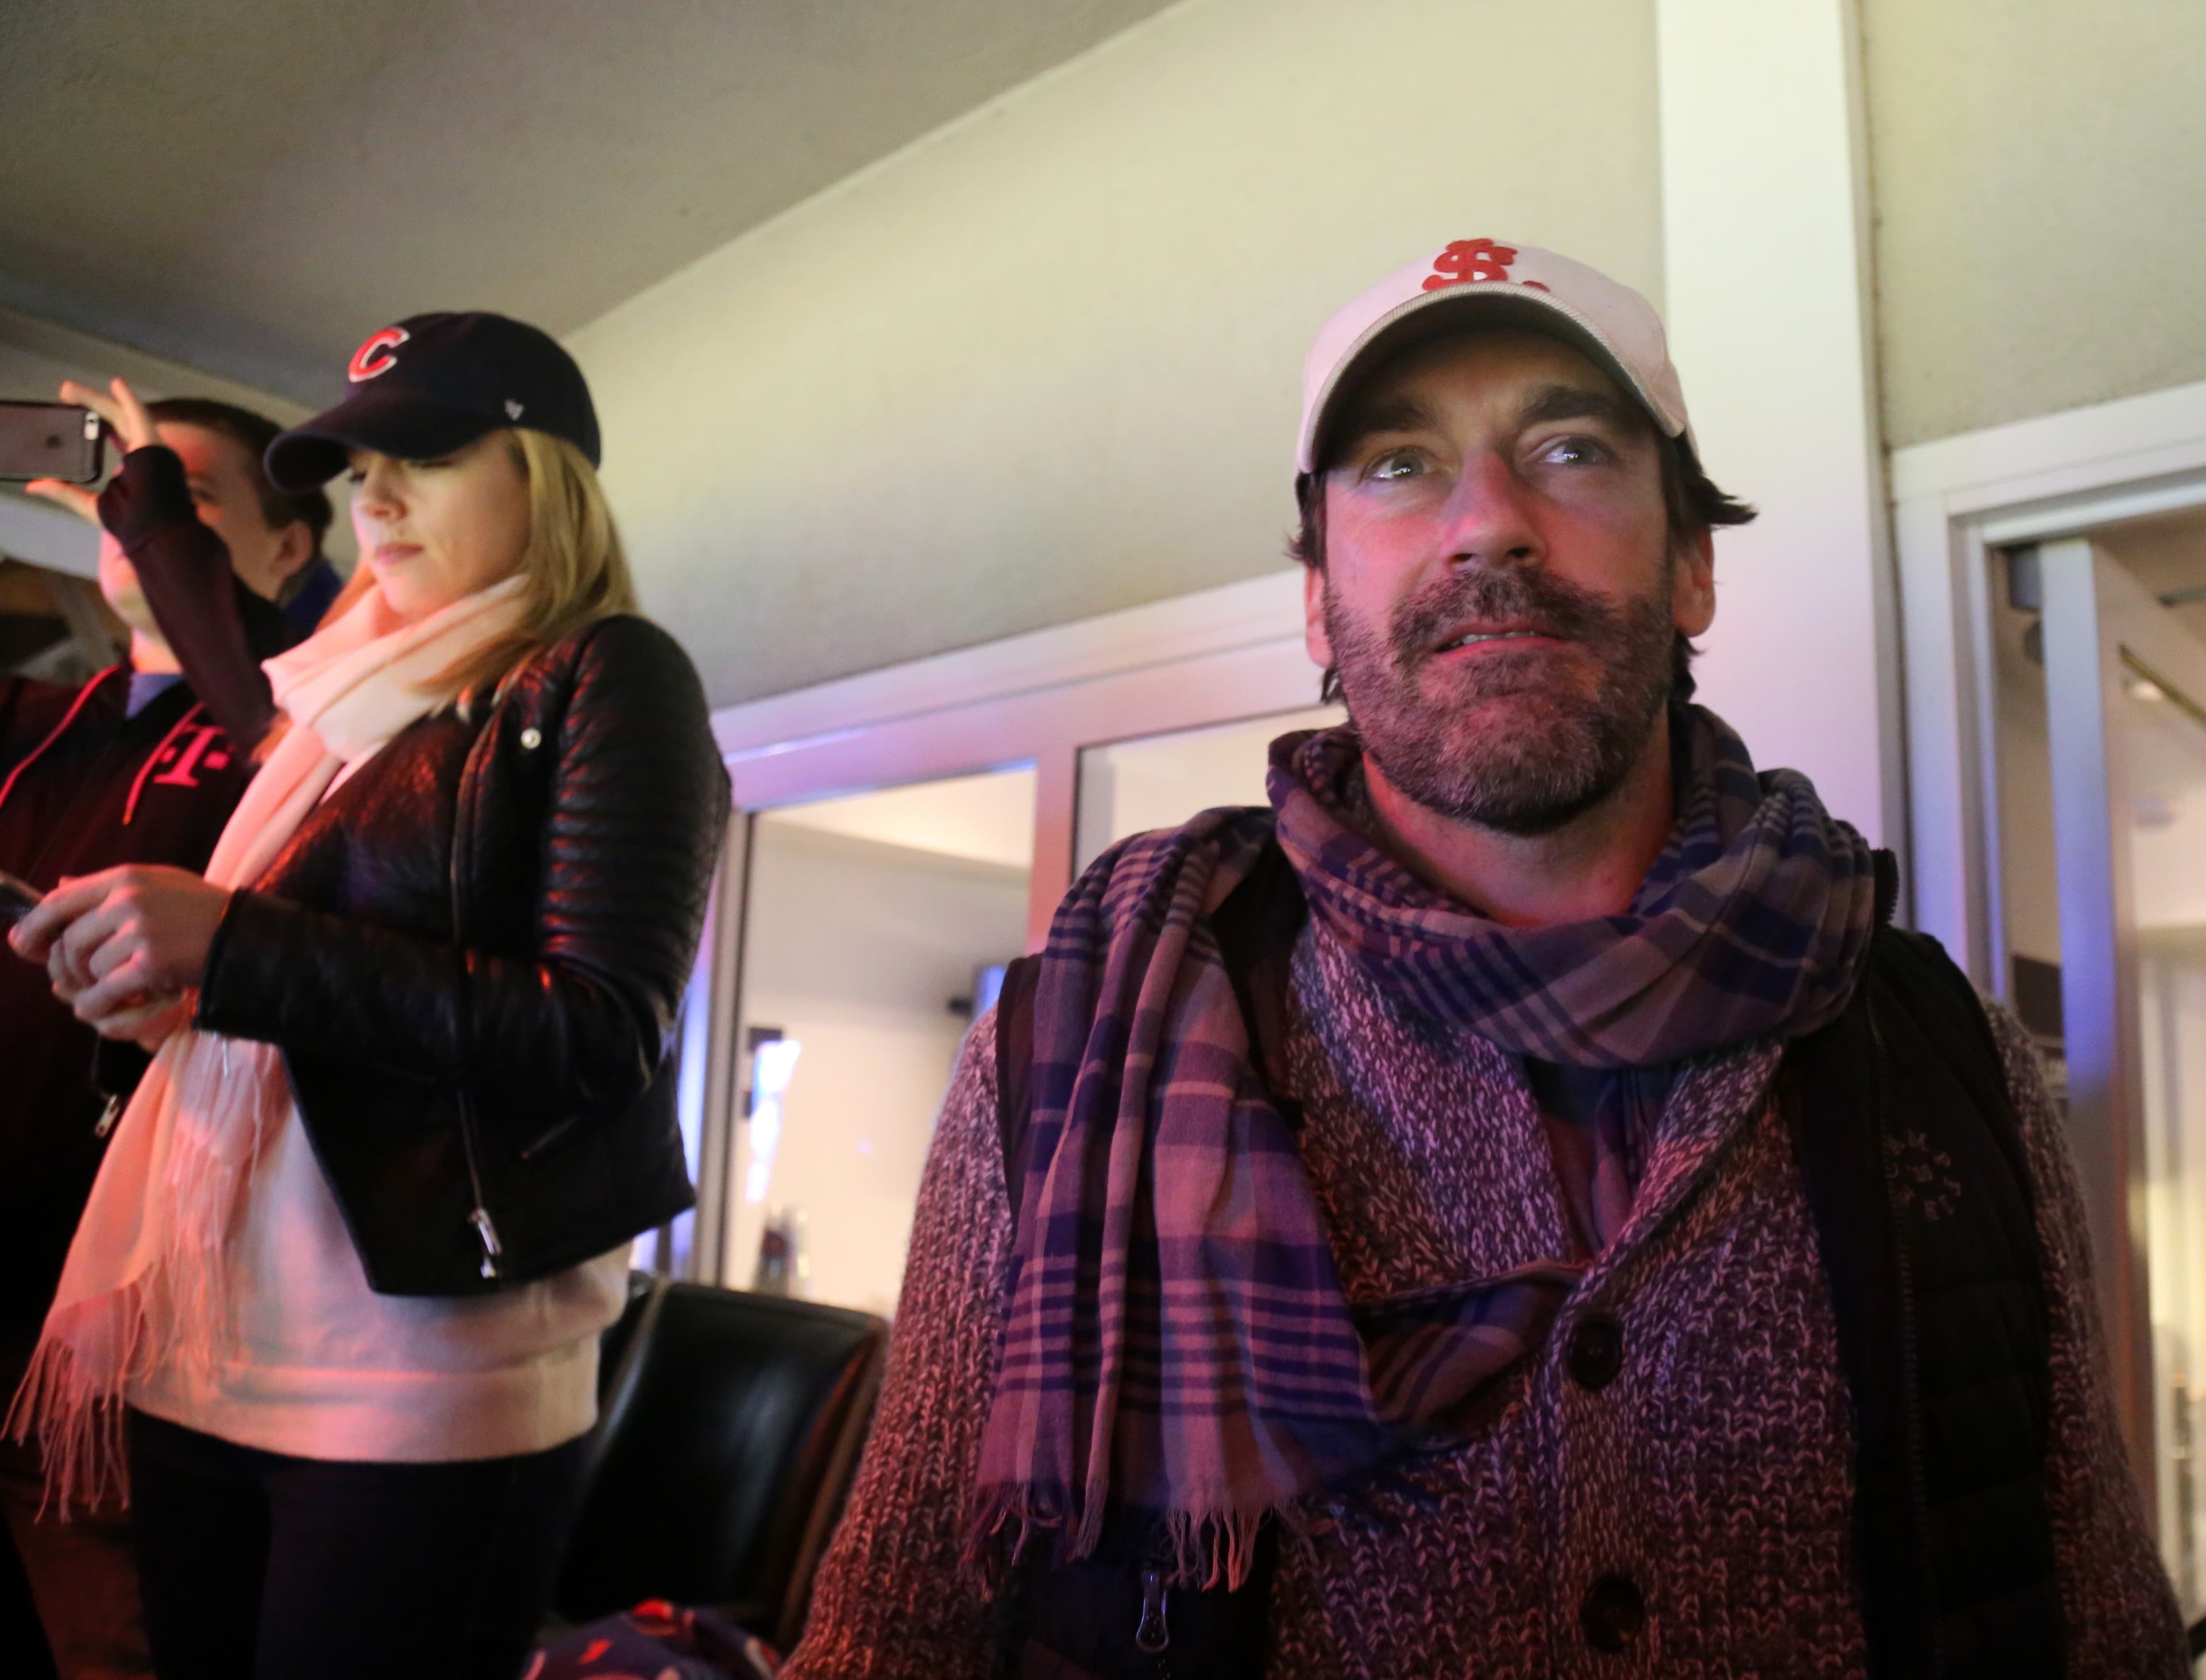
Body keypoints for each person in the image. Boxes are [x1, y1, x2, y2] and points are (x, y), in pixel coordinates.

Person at [779, 241, 2192, 1678]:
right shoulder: (1072, 1047)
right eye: (1399, 464)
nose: (1488, 526)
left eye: (1569, 447)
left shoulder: (1947, 1052)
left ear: (1693, 563)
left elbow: (2107, 1632)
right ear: (1319, 600)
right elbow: (894, 1638)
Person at [6, 311, 730, 1680]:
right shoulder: (340, 704)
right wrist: (176, 996)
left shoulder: (608, 672)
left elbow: (598, 1027)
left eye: (426, 455)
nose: (374, 496)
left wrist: (233, 952)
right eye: (357, 470)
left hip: (411, 1379)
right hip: (210, 1336)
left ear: (548, 474)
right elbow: (317, 990)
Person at [1, 386, 333, 1680]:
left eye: (179, 493)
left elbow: (274, 706)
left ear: (289, 548)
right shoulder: (46, 720)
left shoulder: (308, 738)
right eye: (118, 488)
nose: (129, 511)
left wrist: (152, 526)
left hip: (142, 1312)